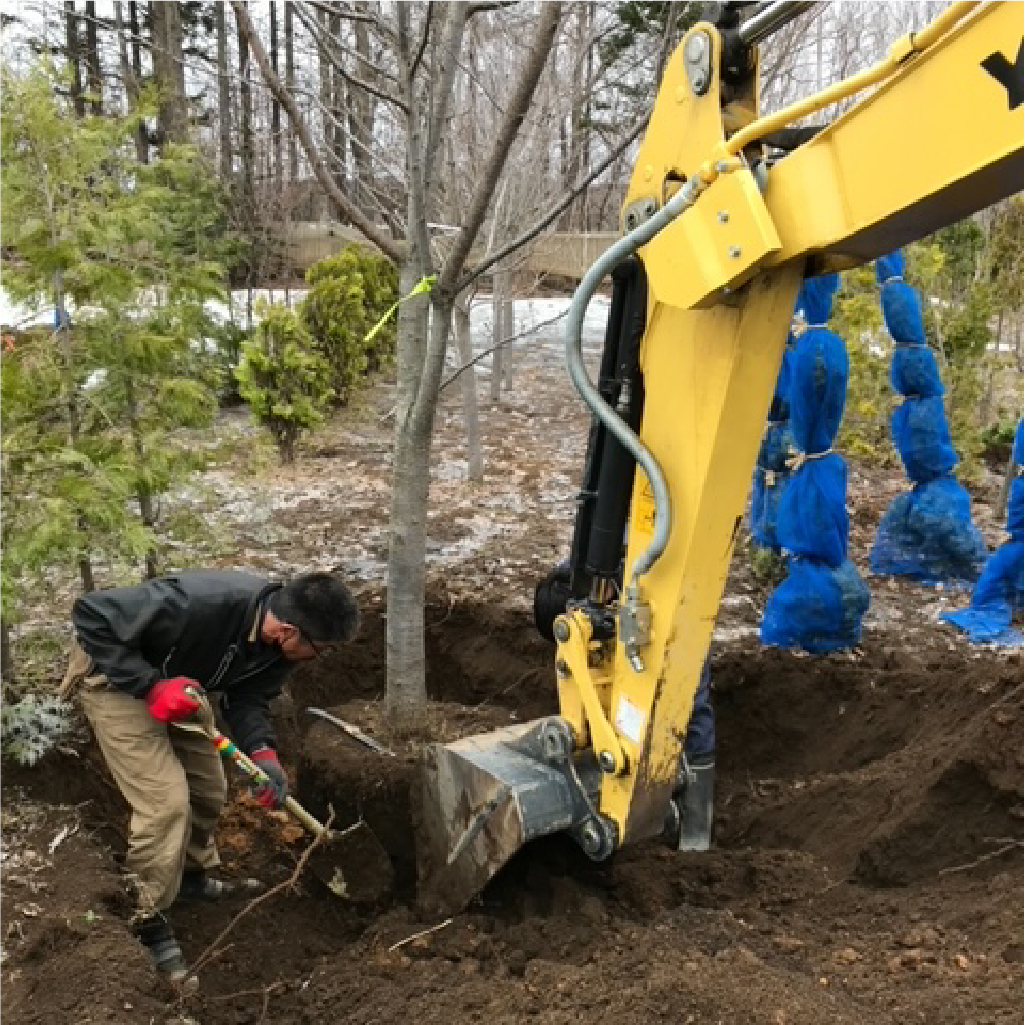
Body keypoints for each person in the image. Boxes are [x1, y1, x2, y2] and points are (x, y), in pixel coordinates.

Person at [59, 570, 359, 981]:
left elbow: (249, 696)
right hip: (116, 677)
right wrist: (149, 687)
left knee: (208, 787)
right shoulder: (195, 604)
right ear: (290, 632)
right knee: (166, 804)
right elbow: (90, 614)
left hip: (180, 684)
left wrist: (265, 757)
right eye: (320, 649)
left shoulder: (277, 649)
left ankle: (188, 877)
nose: (320, 657)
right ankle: (148, 917)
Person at [533, 561, 715, 852]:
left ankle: (694, 829)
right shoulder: (596, 567)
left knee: (686, 696)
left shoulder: (636, 584)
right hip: (645, 586)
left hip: (675, 599)